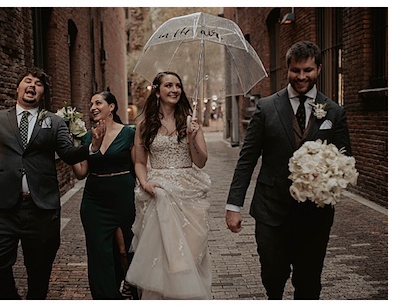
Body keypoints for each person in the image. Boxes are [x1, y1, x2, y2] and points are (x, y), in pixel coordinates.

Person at [225, 41, 352, 300]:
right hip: (271, 209)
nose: (301, 76)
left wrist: (327, 175)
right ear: (288, 69)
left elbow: (344, 158)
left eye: (308, 70)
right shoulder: (266, 107)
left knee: (309, 283)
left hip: (314, 215)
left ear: (319, 69)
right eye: (296, 70)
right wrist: (233, 206)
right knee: (272, 276)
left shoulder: (334, 112)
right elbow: (247, 159)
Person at [0, 67, 89, 299]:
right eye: (28, 81)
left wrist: (93, 147)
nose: (32, 85)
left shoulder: (54, 122)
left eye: (38, 84)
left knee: (39, 270)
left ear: (42, 93)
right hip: (3, 207)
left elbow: (68, 154)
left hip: (41, 208)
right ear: (18, 88)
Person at [125, 71, 210, 299]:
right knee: (162, 259)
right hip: (159, 192)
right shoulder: (144, 124)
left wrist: (192, 138)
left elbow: (201, 161)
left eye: (177, 86)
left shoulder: (191, 121)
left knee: (190, 256)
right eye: (169, 85)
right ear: (157, 91)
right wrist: (145, 183)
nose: (174, 90)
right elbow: (140, 162)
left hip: (189, 193)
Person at [69, 91, 137, 299]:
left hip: (124, 198)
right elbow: (81, 173)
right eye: (91, 104)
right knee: (99, 254)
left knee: (125, 249)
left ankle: (131, 288)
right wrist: (70, 149)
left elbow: (139, 166)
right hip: (95, 201)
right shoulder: (87, 137)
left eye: (98, 103)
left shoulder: (129, 133)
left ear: (112, 107)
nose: (93, 107)